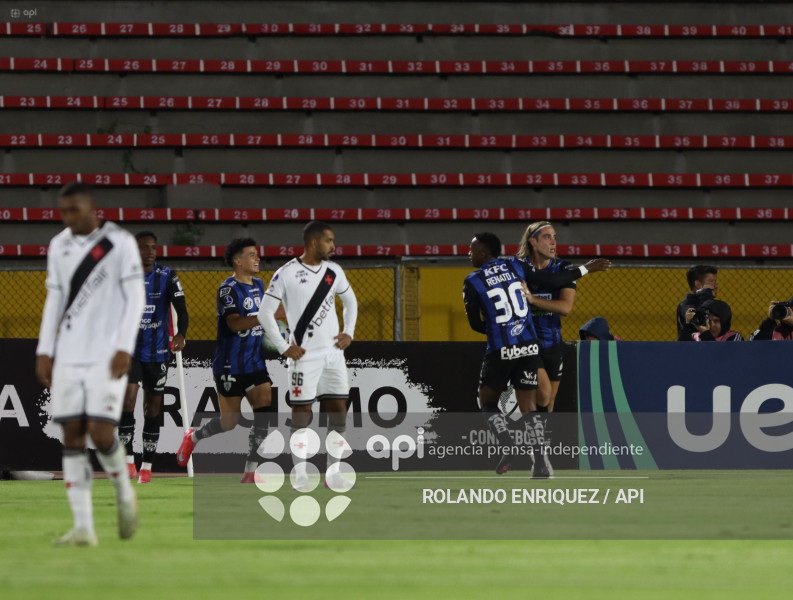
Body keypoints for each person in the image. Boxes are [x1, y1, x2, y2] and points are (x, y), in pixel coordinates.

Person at [35, 182, 144, 546]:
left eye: (75, 210)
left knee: (100, 432)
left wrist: (124, 346)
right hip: (68, 354)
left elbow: (136, 297)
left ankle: (124, 491)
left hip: (106, 354)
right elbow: (54, 298)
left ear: (92, 208)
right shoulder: (59, 245)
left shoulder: (119, 242)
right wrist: (44, 350)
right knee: (71, 435)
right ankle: (83, 527)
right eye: (64, 211)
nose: (68, 218)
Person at [463, 232, 610, 478]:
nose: (468, 254)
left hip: (501, 348)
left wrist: (501, 328)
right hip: (530, 346)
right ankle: (540, 464)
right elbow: (552, 280)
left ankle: (508, 444)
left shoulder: (473, 280)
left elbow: (475, 324)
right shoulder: (515, 265)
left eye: (471, 250)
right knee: (530, 408)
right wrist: (586, 269)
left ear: (482, 253)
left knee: (486, 401)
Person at [258, 221, 357, 491]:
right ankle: (300, 474)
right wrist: (283, 347)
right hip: (304, 357)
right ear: (314, 243)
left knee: (339, 414)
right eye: (329, 241)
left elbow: (350, 301)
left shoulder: (334, 271)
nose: (333, 246)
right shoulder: (286, 273)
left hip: (334, 355)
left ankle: (333, 473)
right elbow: (265, 313)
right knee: (302, 414)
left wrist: (348, 332)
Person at [176, 238, 274, 483]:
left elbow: (263, 321)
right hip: (229, 365)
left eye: (257, 254)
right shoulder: (227, 290)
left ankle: (250, 471)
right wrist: (267, 316)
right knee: (229, 422)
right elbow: (235, 324)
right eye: (252, 255)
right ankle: (193, 437)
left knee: (264, 412)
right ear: (237, 261)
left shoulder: (260, 285)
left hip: (255, 362)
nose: (257, 258)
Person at [118, 231, 189, 484]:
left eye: (153, 248)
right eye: (144, 247)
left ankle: (147, 467)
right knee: (127, 400)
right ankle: (128, 461)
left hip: (158, 352)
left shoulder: (167, 276)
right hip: (130, 351)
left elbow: (181, 310)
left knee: (153, 409)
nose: (150, 252)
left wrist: (181, 333)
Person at [514, 220, 578, 476]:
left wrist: (532, 300)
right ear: (532, 241)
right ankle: (539, 457)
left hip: (553, 342)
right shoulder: (517, 267)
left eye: (555, 237)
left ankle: (540, 458)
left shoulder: (564, 268)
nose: (554, 242)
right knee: (542, 394)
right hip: (525, 342)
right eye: (547, 237)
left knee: (548, 403)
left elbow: (565, 308)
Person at [676, 265, 718, 337]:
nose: (716, 286)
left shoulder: (713, 303)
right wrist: (705, 296)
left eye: (715, 281)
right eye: (711, 281)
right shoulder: (686, 305)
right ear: (698, 284)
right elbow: (700, 320)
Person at [678, 299, 743, 341]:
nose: (711, 325)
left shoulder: (734, 338)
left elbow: (718, 356)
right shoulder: (695, 337)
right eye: (708, 320)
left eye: (716, 321)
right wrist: (687, 325)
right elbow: (680, 352)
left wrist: (706, 335)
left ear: (724, 322)